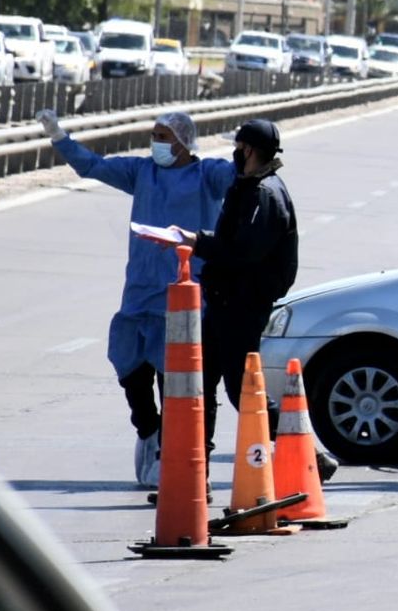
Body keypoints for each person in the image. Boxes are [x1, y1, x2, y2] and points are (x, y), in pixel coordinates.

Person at [36, 109, 235, 489]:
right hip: (140, 292)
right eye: (155, 134)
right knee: (129, 366)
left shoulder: (205, 175)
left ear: (182, 140)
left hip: (183, 295)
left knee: (170, 376)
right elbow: (91, 166)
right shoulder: (142, 172)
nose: (156, 141)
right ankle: (149, 429)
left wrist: (246, 150)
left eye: (163, 135)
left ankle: (170, 454)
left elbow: (242, 179)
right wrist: (58, 136)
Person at [169, 119, 337, 481]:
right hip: (224, 302)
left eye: (238, 146)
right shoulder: (247, 187)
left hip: (242, 308)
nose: (234, 152)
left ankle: (311, 455)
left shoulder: (265, 194)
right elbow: (234, 239)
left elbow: (245, 250)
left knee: (242, 390)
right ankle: (193, 474)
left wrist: (199, 241)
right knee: (202, 382)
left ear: (248, 150)